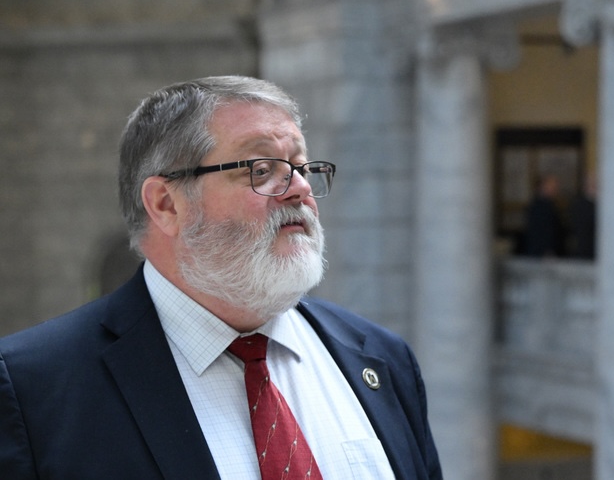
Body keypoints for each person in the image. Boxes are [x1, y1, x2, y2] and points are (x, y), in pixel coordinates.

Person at [0, 76, 443, 479]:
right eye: (261, 170)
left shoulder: (383, 359)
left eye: (301, 167)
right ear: (166, 204)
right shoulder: (32, 387)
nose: (300, 189)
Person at [521, 173, 566, 257]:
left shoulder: (550, 205)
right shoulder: (538, 207)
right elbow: (540, 232)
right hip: (543, 254)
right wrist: (547, 251)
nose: (555, 189)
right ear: (542, 187)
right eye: (552, 186)